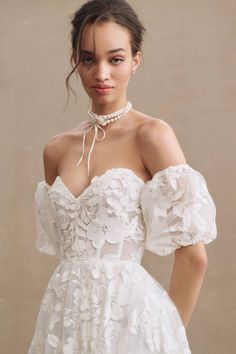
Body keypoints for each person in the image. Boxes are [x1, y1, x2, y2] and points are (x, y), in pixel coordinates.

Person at [28, 0, 217, 353]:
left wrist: (166, 334)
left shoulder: (152, 135)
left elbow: (194, 258)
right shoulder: (55, 149)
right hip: (64, 321)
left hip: (132, 325)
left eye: (115, 59)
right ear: (75, 60)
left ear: (135, 61)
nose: (101, 73)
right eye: (88, 59)